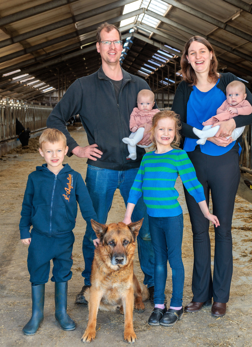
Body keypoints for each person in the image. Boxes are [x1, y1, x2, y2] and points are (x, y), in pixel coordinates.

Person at [46, 22, 155, 305]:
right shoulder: (83, 86)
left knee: (144, 232)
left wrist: (153, 138)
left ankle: (151, 285)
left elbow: (155, 121)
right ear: (98, 47)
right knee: (94, 232)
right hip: (100, 170)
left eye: (116, 41)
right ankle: (89, 285)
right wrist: (76, 148)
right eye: (106, 42)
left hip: (137, 170)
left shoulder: (139, 85)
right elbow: (55, 118)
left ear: (122, 46)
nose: (112, 47)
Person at [171, 36, 252, 318]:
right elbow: (176, 124)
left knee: (222, 229)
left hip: (225, 162)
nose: (198, 56)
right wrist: (199, 133)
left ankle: (220, 297)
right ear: (186, 59)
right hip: (194, 161)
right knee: (199, 231)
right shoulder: (183, 89)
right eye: (192, 53)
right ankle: (200, 294)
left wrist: (231, 122)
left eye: (203, 51)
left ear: (212, 54)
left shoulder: (229, 81)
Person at [123, 110, 220, 327]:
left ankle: (176, 306)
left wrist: (206, 211)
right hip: (153, 218)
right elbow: (136, 187)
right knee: (158, 262)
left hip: (172, 218)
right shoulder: (147, 158)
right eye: (161, 129)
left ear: (175, 133)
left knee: (174, 261)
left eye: (170, 129)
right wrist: (128, 214)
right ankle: (159, 305)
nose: (165, 133)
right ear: (153, 131)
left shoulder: (179, 156)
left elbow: (193, 185)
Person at [19, 128, 97, 335]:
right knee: (37, 273)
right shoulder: (35, 178)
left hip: (64, 238)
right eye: (49, 151)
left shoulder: (74, 177)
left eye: (58, 151)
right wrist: (23, 230)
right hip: (40, 238)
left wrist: (97, 232)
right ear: (41, 153)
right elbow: (27, 205)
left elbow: (88, 208)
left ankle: (61, 313)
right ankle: (37, 314)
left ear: (66, 151)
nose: (54, 156)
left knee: (63, 272)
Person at [193, 80, 252, 145]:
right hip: (224, 128)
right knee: (208, 126)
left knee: (219, 127)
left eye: (237, 94)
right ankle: (203, 139)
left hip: (233, 132)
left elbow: (249, 110)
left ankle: (203, 134)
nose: (233, 97)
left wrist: (236, 111)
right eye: (230, 95)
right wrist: (224, 113)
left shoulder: (244, 103)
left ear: (244, 96)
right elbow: (219, 110)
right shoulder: (226, 102)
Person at [122, 89, 159, 160]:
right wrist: (133, 127)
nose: (144, 106)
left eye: (148, 104)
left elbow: (159, 123)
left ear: (153, 104)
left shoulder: (155, 113)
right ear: (137, 103)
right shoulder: (135, 111)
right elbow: (132, 119)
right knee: (130, 137)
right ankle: (132, 153)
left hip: (149, 137)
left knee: (142, 129)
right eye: (141, 103)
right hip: (137, 136)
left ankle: (133, 142)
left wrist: (153, 128)